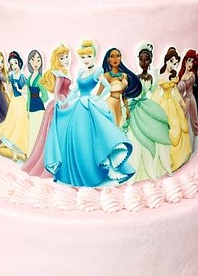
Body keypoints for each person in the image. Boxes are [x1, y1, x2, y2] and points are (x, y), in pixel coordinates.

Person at [44, 40, 135, 187]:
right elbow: (75, 91)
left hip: (89, 105)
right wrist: (64, 101)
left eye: (89, 56)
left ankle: (97, 171)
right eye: (83, 57)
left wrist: (97, 98)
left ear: (94, 56)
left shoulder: (97, 72)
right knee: (77, 137)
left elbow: (107, 87)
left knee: (91, 136)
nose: (86, 60)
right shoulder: (81, 72)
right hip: (79, 105)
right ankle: (77, 174)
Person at [22, 44, 71, 177]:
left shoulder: (63, 73)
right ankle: (53, 161)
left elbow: (67, 90)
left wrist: (75, 95)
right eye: (62, 58)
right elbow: (56, 92)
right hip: (59, 103)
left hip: (64, 101)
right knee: (55, 133)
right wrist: (62, 103)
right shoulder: (58, 74)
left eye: (66, 57)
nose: (66, 60)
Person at [124, 44, 171, 182]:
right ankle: (134, 170)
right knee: (135, 136)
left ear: (150, 61)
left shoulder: (150, 77)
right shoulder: (135, 77)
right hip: (136, 108)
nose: (143, 62)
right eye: (141, 59)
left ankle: (155, 167)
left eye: (146, 60)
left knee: (157, 130)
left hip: (146, 105)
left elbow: (151, 91)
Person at [151, 47, 191, 171]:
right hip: (163, 103)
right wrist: (152, 103)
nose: (173, 65)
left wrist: (181, 101)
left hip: (172, 104)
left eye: (175, 63)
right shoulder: (161, 76)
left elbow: (175, 91)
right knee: (164, 128)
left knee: (177, 126)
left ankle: (178, 157)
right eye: (171, 61)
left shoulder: (174, 77)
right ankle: (165, 158)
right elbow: (157, 91)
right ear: (166, 60)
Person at [0, 51, 29, 161]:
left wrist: (20, 89)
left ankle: (21, 148)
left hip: (20, 102)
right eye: (11, 64)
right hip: (14, 102)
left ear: (19, 62)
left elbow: (27, 90)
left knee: (20, 124)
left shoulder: (22, 76)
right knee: (12, 123)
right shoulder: (11, 76)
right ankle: (14, 148)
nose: (14, 66)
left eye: (15, 63)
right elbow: (10, 88)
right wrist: (8, 89)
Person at [99, 48, 142, 127]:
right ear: (108, 59)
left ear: (121, 57)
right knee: (113, 125)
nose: (115, 59)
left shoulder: (124, 76)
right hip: (110, 103)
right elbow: (99, 93)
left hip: (119, 104)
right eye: (112, 56)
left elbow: (124, 95)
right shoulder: (107, 76)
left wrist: (127, 108)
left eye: (117, 56)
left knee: (120, 125)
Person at [26, 50, 49, 155]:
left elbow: (45, 96)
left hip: (39, 109)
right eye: (33, 59)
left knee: (38, 132)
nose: (36, 62)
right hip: (31, 108)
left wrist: (38, 101)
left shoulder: (40, 79)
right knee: (32, 131)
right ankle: (31, 154)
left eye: (38, 60)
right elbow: (28, 95)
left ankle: (39, 155)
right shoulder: (29, 78)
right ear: (29, 62)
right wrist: (27, 109)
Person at [178, 49, 198, 151]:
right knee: (184, 121)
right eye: (189, 61)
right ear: (185, 61)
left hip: (190, 99)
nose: (190, 64)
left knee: (192, 121)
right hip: (185, 100)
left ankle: (192, 145)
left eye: (192, 61)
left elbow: (188, 87)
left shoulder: (192, 75)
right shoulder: (181, 75)